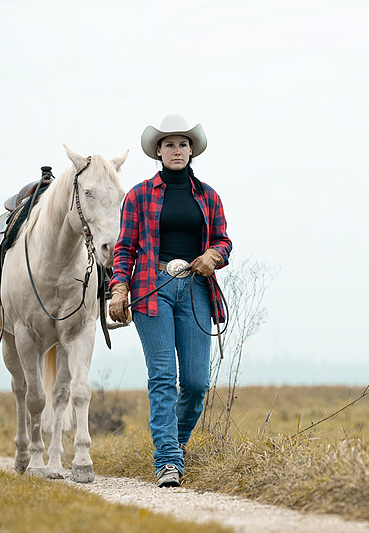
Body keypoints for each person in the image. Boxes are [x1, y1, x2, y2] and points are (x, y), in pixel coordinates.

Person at [108, 114, 232, 487]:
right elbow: (124, 248)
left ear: (191, 150)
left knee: (195, 383)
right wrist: (119, 288)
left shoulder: (208, 196)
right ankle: (167, 462)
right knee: (163, 376)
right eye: (169, 145)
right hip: (152, 286)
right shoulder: (138, 195)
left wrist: (212, 256)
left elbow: (223, 240)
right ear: (158, 152)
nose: (176, 150)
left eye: (182, 144)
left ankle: (173, 443)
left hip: (195, 288)